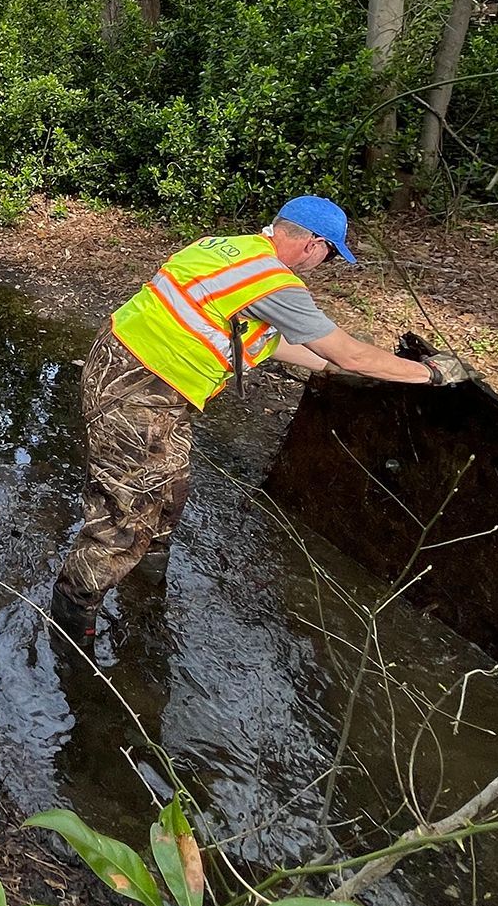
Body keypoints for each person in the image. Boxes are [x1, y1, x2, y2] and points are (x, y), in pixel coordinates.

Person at [51, 195, 468, 640]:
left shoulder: (230, 250)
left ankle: (146, 589)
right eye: (329, 254)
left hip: (134, 368)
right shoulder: (272, 282)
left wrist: (326, 367)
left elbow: (251, 337)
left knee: (170, 494)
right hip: (139, 388)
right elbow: (348, 352)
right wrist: (430, 373)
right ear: (312, 244)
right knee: (127, 510)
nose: (324, 264)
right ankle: (73, 617)